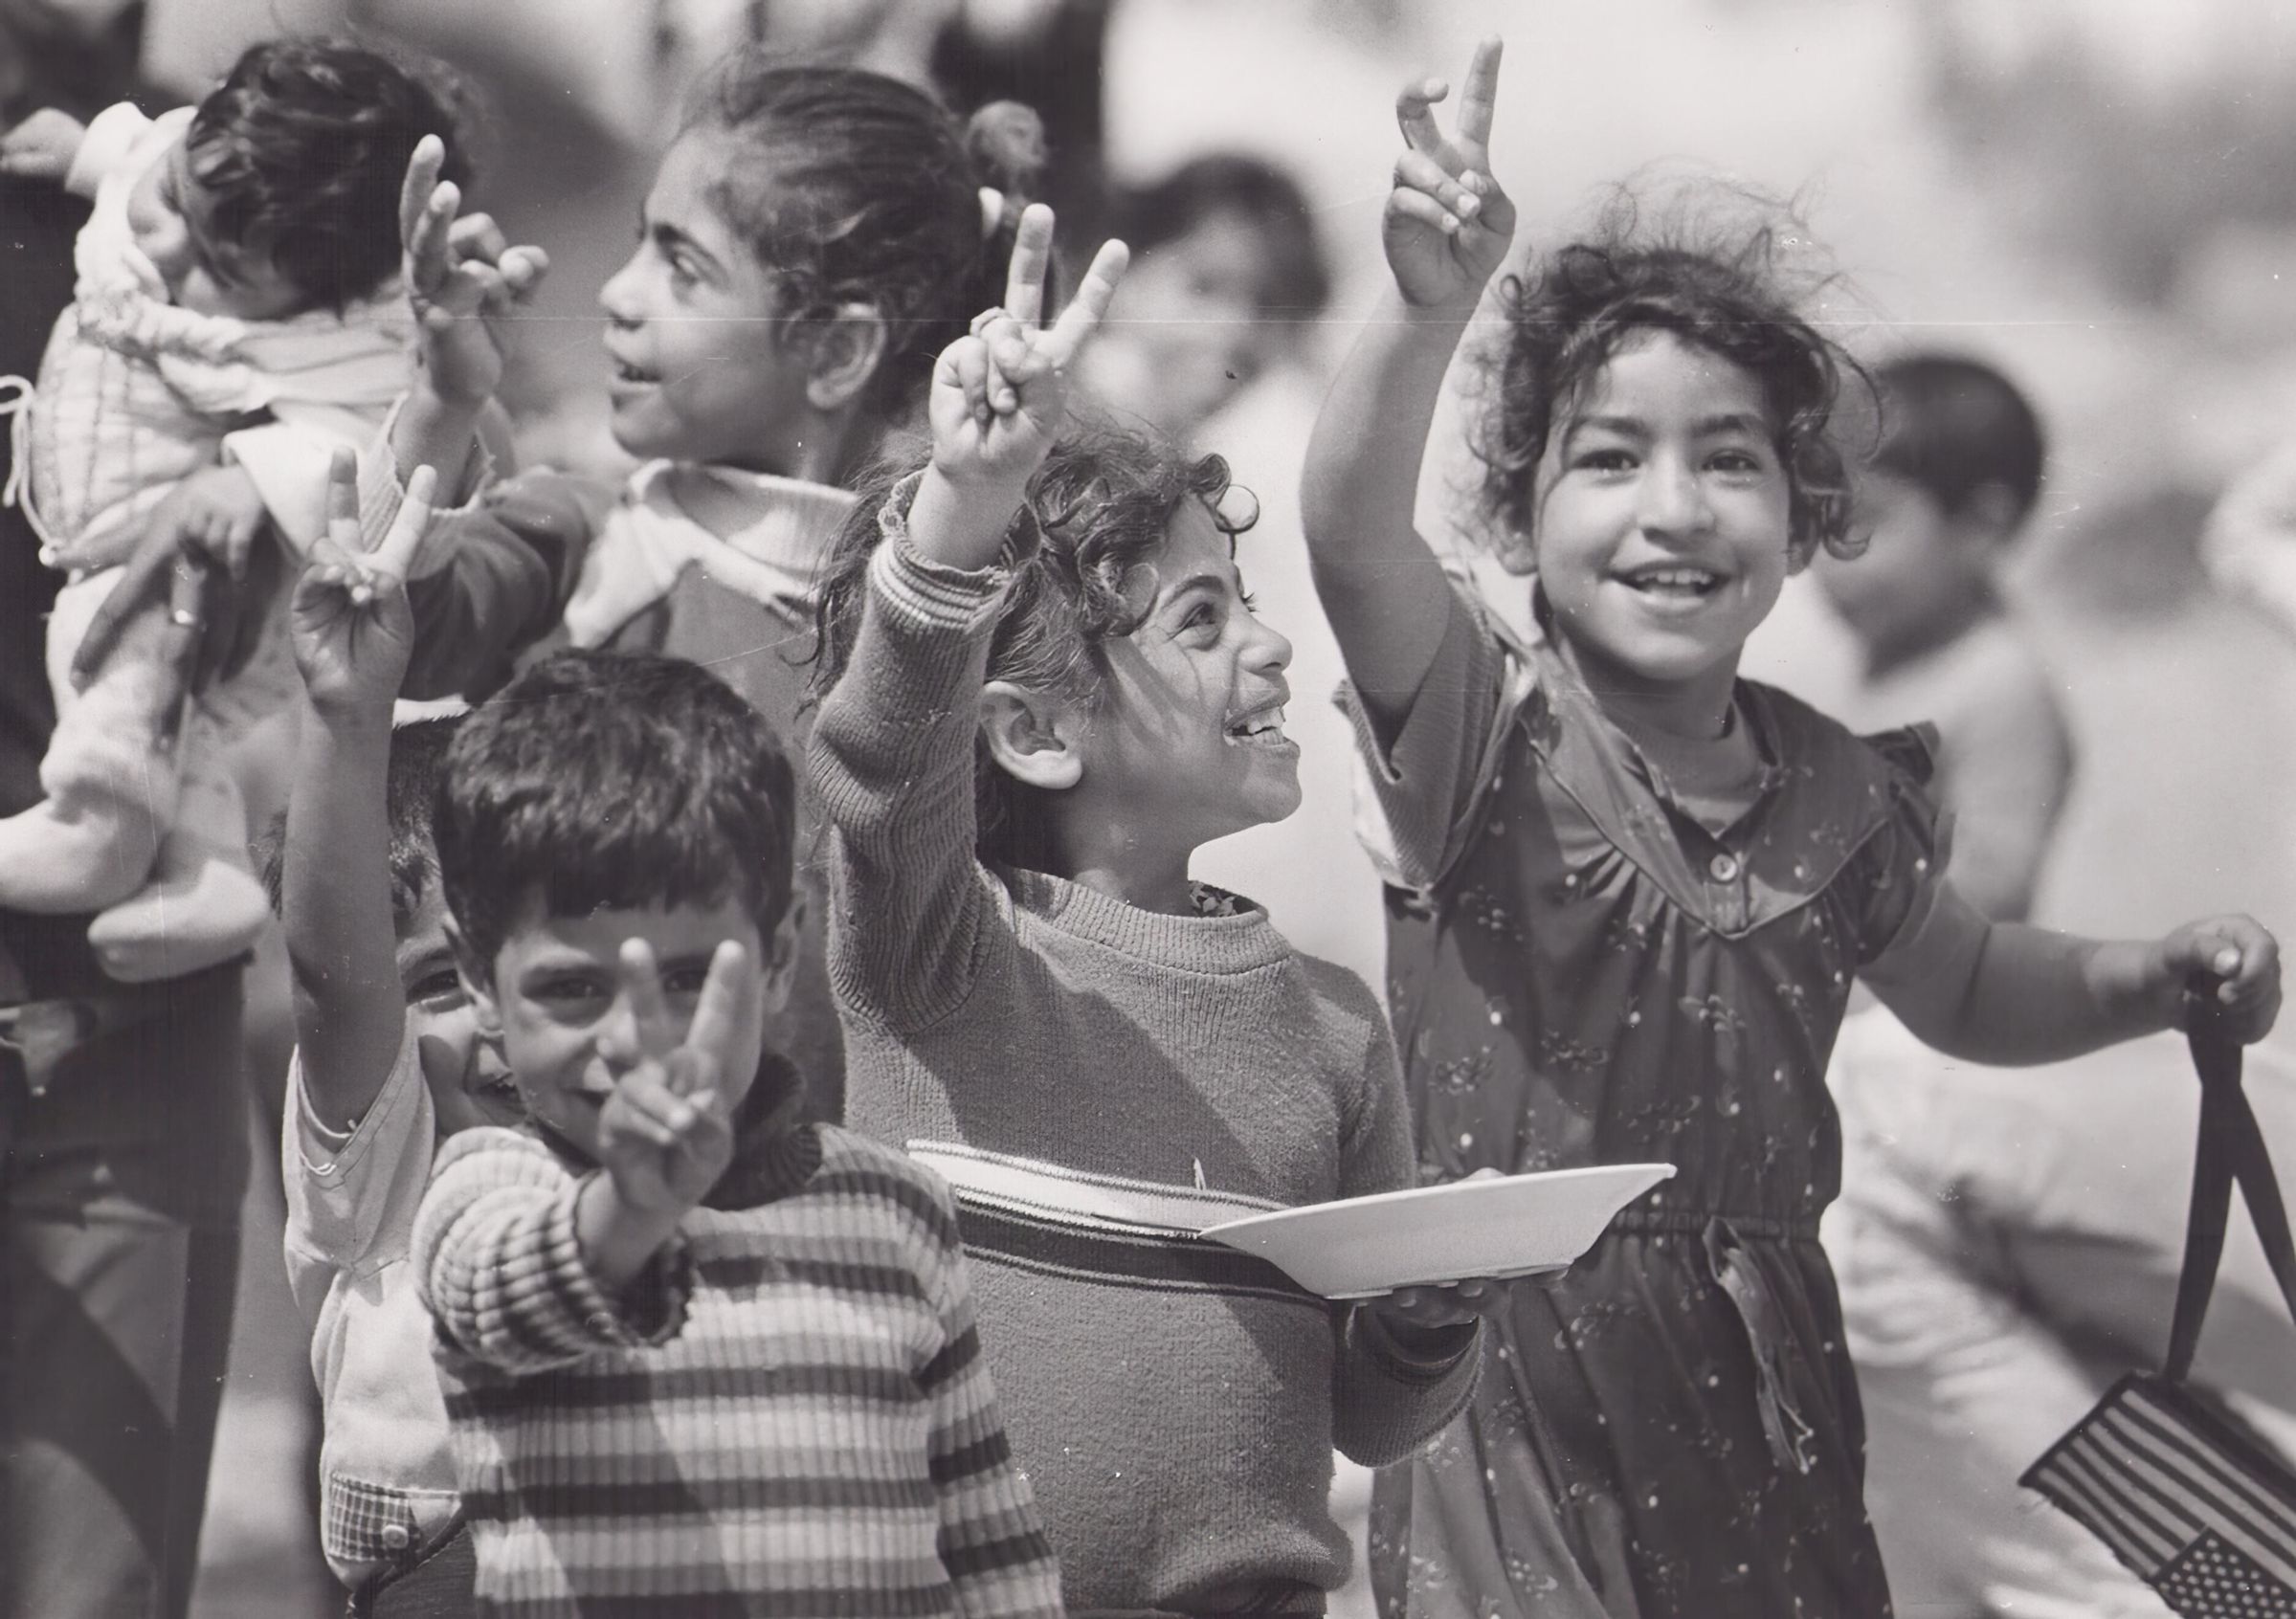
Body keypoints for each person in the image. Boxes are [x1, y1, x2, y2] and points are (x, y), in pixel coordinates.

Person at [1300, 38, 2283, 1617]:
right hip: (1512, 1382)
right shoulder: (1484, 737)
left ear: (1805, 517)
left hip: (1765, 1374)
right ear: (1514, 520)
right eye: (1607, 459)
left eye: (1728, 460)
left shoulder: (1837, 785)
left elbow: (1966, 989)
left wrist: (2141, 977)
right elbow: (1350, 540)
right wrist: (1423, 312)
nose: (1672, 508)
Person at [809, 205, 1492, 1618]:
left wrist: (1431, 1320)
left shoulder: (1329, 1029)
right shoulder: (938, 958)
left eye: (1241, 600)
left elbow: (1368, 1417)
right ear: (1029, 734)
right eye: (1199, 618)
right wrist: (963, 510)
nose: (1271, 641)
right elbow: (880, 761)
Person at [411, 51, 1053, 1124]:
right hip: (565, 1185)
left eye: (682, 266)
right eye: (634, 246)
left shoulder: (934, 641)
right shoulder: (587, 540)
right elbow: (407, 626)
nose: (616, 297)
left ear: (839, 350)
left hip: (822, 1216)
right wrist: (440, 397)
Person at [409, 645, 1063, 1619]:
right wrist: (632, 1209)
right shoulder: (488, 1193)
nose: (637, 1042)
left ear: (778, 956)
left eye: (687, 979)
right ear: (477, 984)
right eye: (573, 989)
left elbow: (989, 1546)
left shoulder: (895, 1213)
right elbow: (509, 1297)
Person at [0, 39, 477, 984]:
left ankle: (100, 827)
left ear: (306, 300)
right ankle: (205, 869)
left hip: (180, 570)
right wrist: (84, 152)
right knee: (144, 686)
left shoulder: (324, 339)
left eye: (219, 265)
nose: (166, 248)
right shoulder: (189, 169)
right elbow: (145, 153)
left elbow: (349, 435)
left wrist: (248, 480)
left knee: (112, 641)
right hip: (109, 537)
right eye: (175, 203)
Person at [264, 457, 520, 1615]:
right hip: (448, 1568)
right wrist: (348, 715)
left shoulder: (633, 1113)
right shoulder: (390, 1150)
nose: (497, 1019)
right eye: (439, 984)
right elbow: (335, 969)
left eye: (529, 972)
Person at [1810, 353, 2071, 922]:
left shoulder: (2000, 685)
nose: (1830, 560)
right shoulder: (1894, 654)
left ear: (1981, 525)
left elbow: (1996, 886)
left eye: (1860, 525)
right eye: (1818, 522)